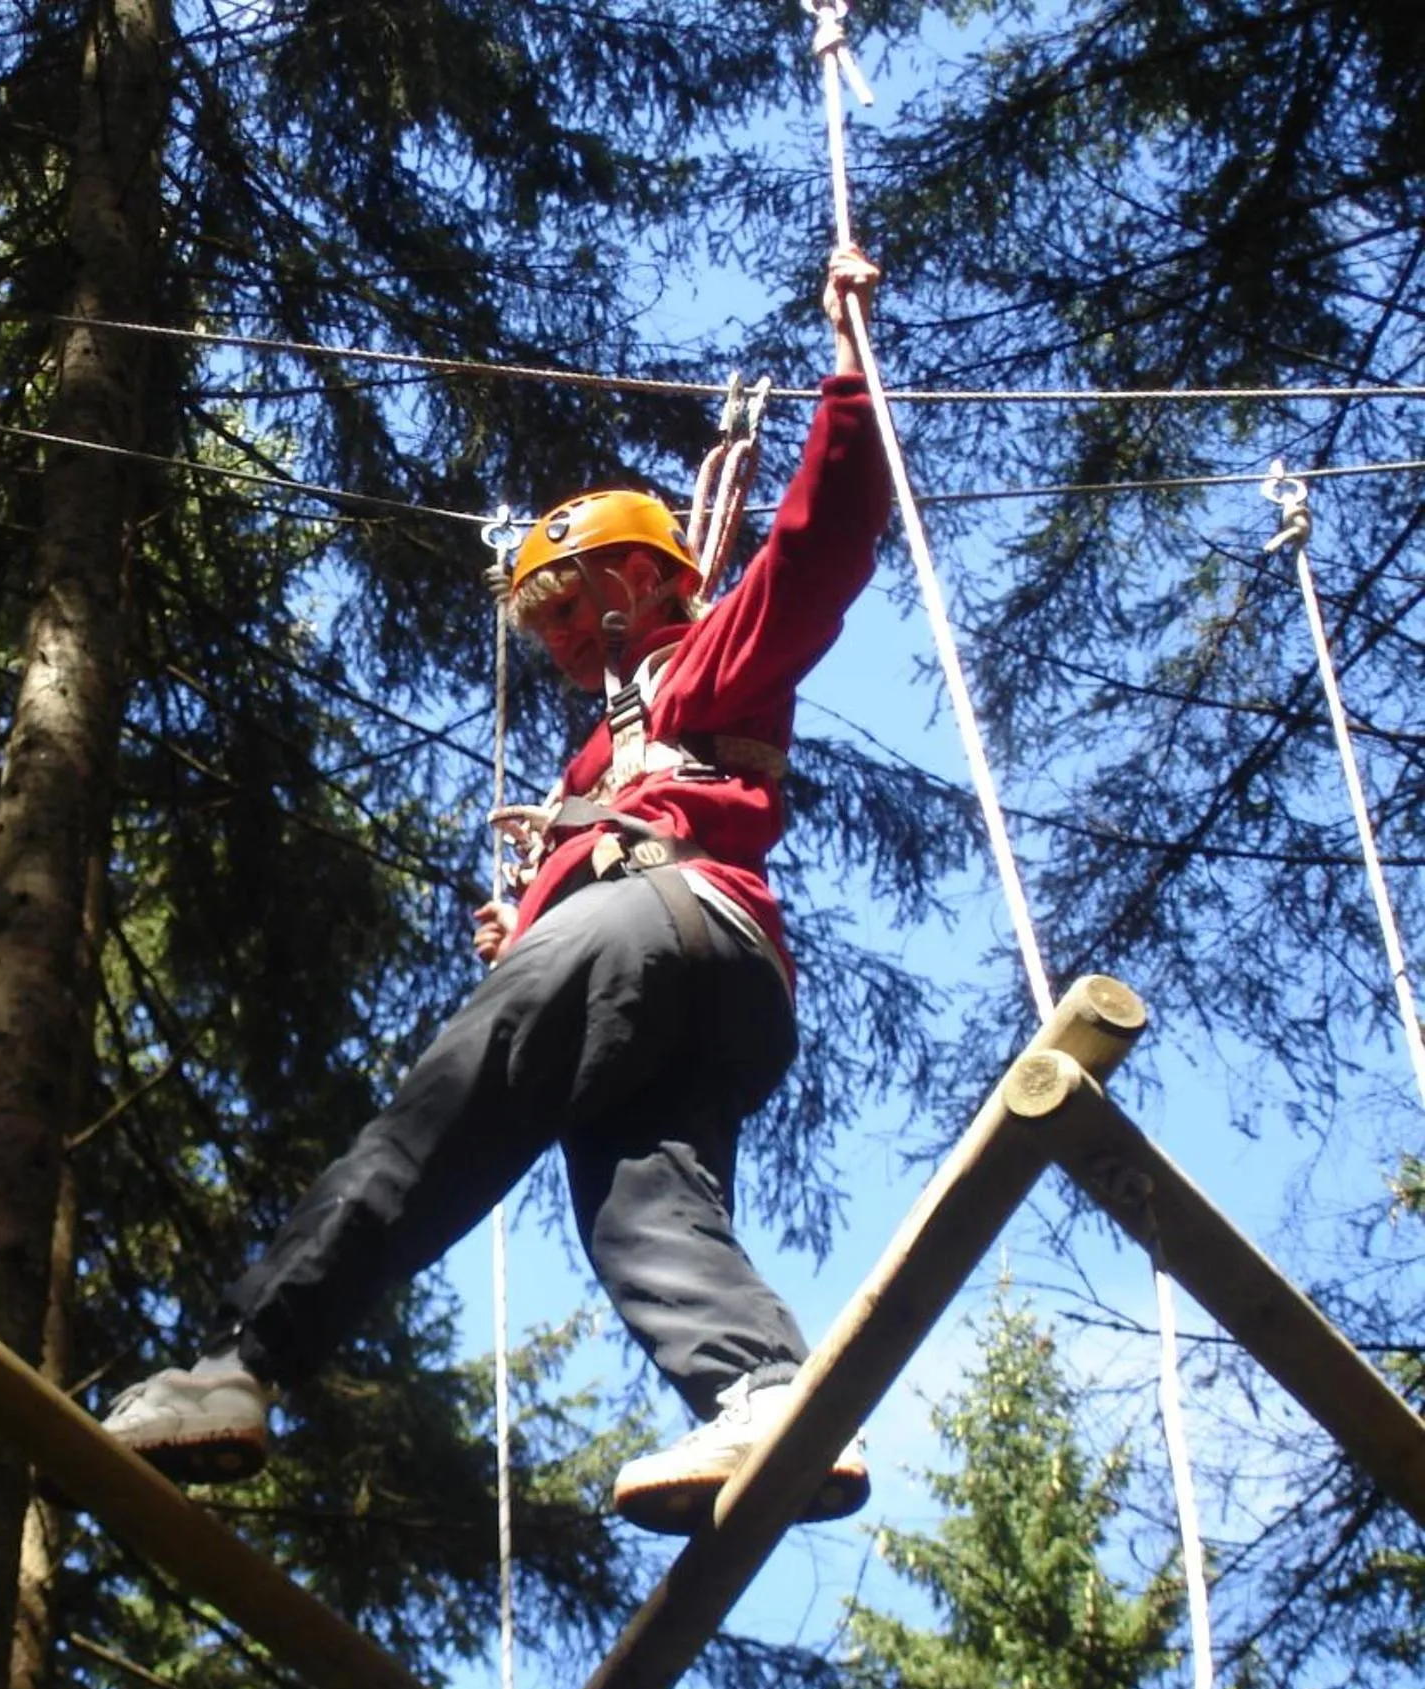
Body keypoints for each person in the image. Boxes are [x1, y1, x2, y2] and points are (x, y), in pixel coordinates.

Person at [101, 246, 893, 1535]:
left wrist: (849, 371)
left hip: (658, 921)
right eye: (551, 637)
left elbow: (820, 546)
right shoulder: (616, 745)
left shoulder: (698, 671)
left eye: (581, 610)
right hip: (723, 981)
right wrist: (526, 921)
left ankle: (242, 1367)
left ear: (650, 577)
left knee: (439, 1117)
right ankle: (765, 1396)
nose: (573, 648)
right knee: (643, 1201)